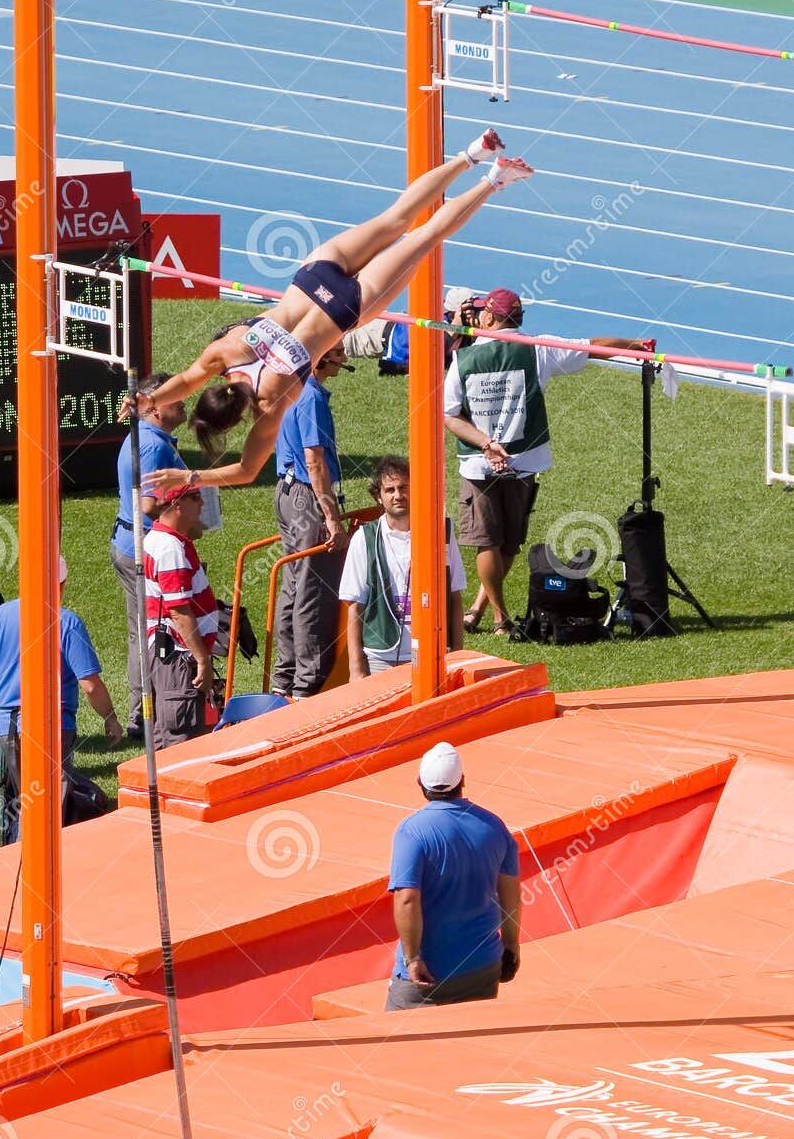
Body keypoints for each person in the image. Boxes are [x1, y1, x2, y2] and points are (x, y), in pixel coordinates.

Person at [141, 133, 533, 494]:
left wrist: (190, 477)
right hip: (314, 275)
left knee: (425, 237)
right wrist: (146, 401)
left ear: (238, 417)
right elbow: (186, 380)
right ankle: (473, 155)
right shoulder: (223, 352)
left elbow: (246, 470)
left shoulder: (270, 405)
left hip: (345, 307)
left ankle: (494, 179)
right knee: (395, 216)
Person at [444, 289, 651, 634]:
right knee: (509, 542)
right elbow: (595, 345)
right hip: (524, 461)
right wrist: (636, 344)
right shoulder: (539, 347)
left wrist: (486, 443)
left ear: (490, 318)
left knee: (488, 542)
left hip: (479, 464)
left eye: (481, 313)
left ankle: (496, 616)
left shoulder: (463, 360)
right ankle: (485, 612)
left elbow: (449, 415)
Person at [0, 555, 123, 841]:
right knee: (45, 801)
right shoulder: (67, 622)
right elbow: (89, 684)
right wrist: (110, 718)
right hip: (49, 724)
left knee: (26, 796)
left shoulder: (0, 616)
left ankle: (18, 856)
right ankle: (37, 861)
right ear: (60, 583)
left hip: (6, 726)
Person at [386, 741, 521, 1011]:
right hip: (481, 965)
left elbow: (407, 899)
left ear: (419, 784)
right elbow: (511, 896)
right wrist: (511, 945)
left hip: (428, 972)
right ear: (462, 780)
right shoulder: (494, 826)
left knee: (399, 1049)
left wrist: (412, 959)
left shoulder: (412, 831)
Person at [339, 456, 466, 679]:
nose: (398, 495)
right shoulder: (364, 539)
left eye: (404, 487)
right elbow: (354, 607)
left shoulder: (441, 533)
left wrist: (457, 655)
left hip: (432, 655)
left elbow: (454, 597)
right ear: (379, 496)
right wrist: (356, 669)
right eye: (390, 490)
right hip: (380, 658)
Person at [271, 343, 350, 699]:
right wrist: (332, 516)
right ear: (321, 358)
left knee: (294, 585)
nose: (344, 360)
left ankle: (285, 677)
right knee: (313, 589)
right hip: (307, 497)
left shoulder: (292, 389)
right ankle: (309, 682)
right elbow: (314, 461)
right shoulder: (312, 398)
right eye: (339, 352)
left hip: (287, 493)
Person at [111, 373, 186, 740]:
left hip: (127, 542)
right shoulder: (154, 446)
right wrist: (181, 513)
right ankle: (142, 715)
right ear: (155, 408)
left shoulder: (143, 437)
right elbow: (149, 504)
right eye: (178, 396)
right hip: (143, 550)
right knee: (150, 633)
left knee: (138, 633)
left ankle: (140, 711)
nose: (184, 400)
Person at [143, 482, 218, 752]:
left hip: (168, 655)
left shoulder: (160, 540)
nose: (202, 503)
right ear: (176, 505)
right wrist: (202, 659)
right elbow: (179, 610)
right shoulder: (169, 549)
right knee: (182, 743)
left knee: (166, 735)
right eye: (195, 497)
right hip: (178, 658)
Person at [343, 285, 477, 375]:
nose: (477, 314)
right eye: (473, 310)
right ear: (456, 313)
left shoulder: (458, 328)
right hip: (376, 333)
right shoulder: (437, 329)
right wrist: (453, 329)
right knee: (334, 339)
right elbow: (390, 366)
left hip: (395, 322)